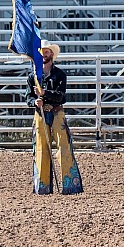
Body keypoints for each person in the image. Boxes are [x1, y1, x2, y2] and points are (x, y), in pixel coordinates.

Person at [25, 39, 83, 195]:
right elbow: (27, 97)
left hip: (57, 112)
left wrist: (44, 93)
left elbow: (61, 97)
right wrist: (34, 101)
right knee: (41, 149)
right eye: (43, 51)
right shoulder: (33, 77)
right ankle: (42, 186)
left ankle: (70, 185)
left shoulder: (60, 75)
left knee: (63, 147)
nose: (45, 54)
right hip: (40, 114)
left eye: (47, 51)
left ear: (52, 54)